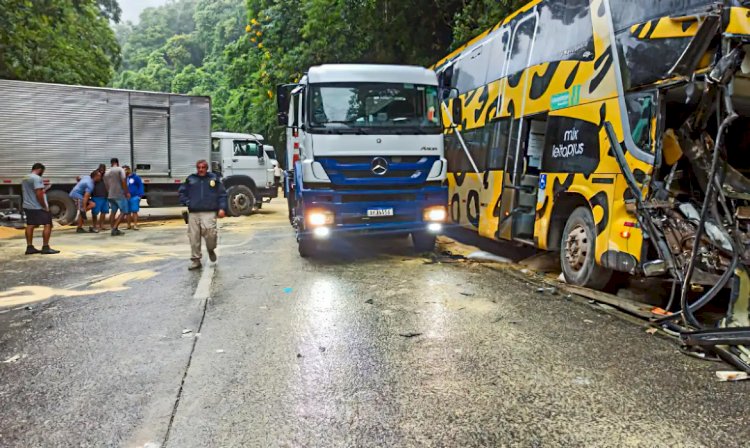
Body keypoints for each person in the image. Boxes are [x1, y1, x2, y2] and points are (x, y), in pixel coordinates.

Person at [178, 159, 227, 270]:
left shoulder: (214, 179)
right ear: (197, 168)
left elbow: (222, 194)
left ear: (207, 168)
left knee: (211, 235)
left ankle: (211, 249)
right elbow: (182, 192)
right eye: (199, 167)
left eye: (203, 167)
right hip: (194, 213)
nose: (201, 169)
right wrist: (187, 202)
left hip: (209, 212)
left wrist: (222, 208)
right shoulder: (191, 179)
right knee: (193, 237)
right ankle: (196, 260)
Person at [21, 163, 59, 254]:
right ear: (39, 169)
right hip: (37, 206)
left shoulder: (25, 177)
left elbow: (31, 191)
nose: (42, 173)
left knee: (30, 225)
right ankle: (45, 247)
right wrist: (44, 206)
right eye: (42, 171)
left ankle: (29, 247)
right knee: (47, 224)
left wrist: (44, 188)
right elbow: (39, 194)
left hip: (27, 205)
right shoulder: (37, 178)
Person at [104, 158, 130, 236]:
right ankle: (115, 228)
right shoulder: (120, 170)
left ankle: (112, 228)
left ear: (111, 163)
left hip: (110, 195)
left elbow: (106, 185)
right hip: (119, 194)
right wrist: (126, 192)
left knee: (113, 211)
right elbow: (123, 181)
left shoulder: (107, 172)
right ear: (117, 163)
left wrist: (109, 192)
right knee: (124, 211)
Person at [124, 165, 144, 230]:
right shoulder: (123, 178)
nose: (125, 171)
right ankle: (128, 225)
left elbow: (140, 185)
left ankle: (135, 225)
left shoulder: (136, 177)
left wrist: (140, 196)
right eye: (123, 170)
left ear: (129, 170)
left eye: (126, 170)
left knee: (134, 211)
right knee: (127, 212)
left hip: (134, 197)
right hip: (126, 197)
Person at [91, 163, 109, 232]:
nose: (102, 170)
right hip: (96, 196)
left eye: (103, 169)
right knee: (95, 212)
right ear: (98, 168)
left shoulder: (105, 176)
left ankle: (101, 225)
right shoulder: (95, 174)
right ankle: (94, 226)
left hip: (105, 196)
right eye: (101, 169)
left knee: (104, 211)